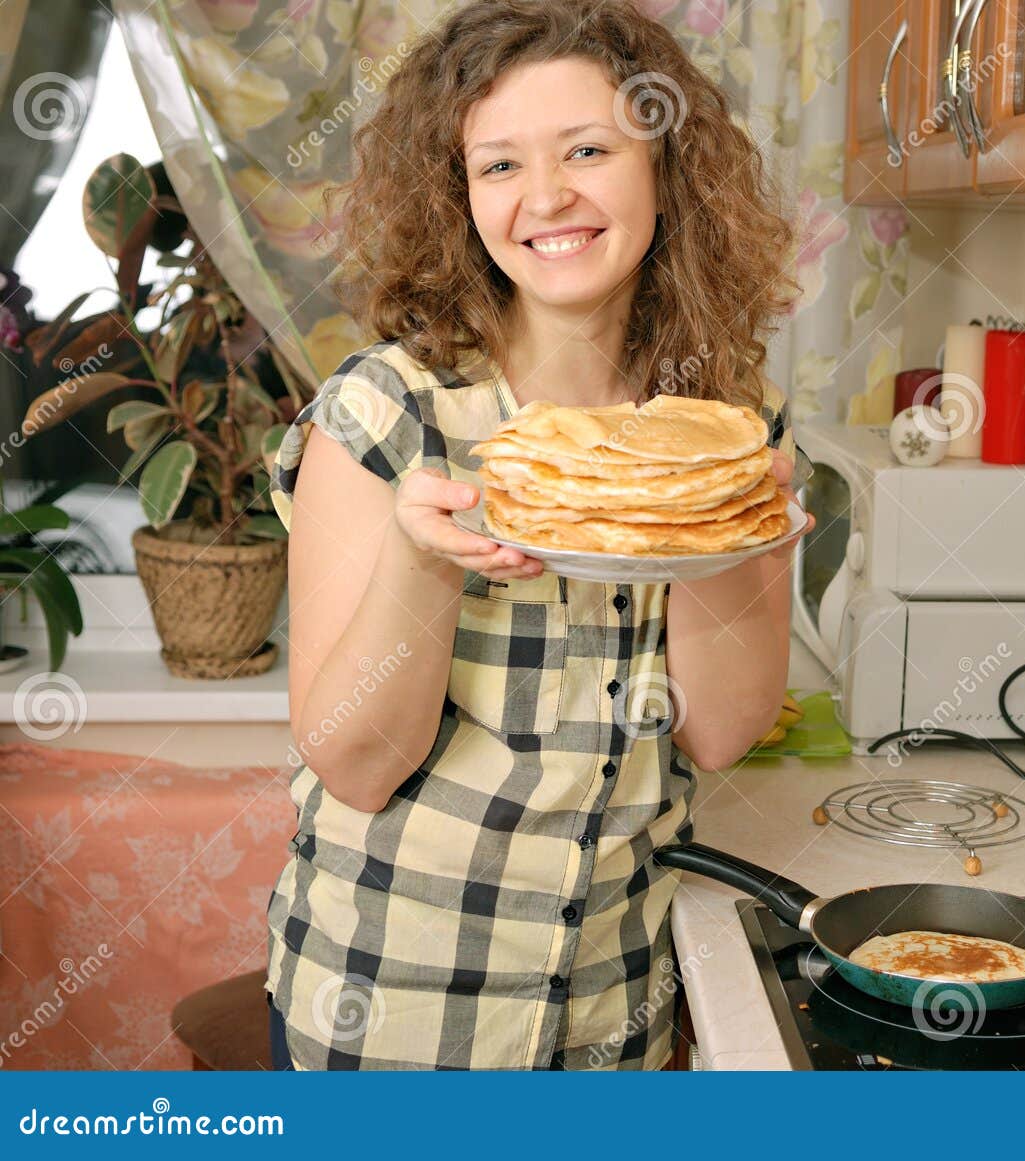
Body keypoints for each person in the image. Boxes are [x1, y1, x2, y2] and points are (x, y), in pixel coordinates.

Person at [263, 0, 806, 1070]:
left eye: (589, 150)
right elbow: (359, 768)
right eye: (500, 165)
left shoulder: (729, 425)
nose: (547, 196)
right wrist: (423, 566)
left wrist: (743, 542)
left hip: (614, 1013)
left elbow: (719, 732)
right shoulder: (386, 414)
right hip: (393, 1020)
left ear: (665, 168)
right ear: (460, 197)